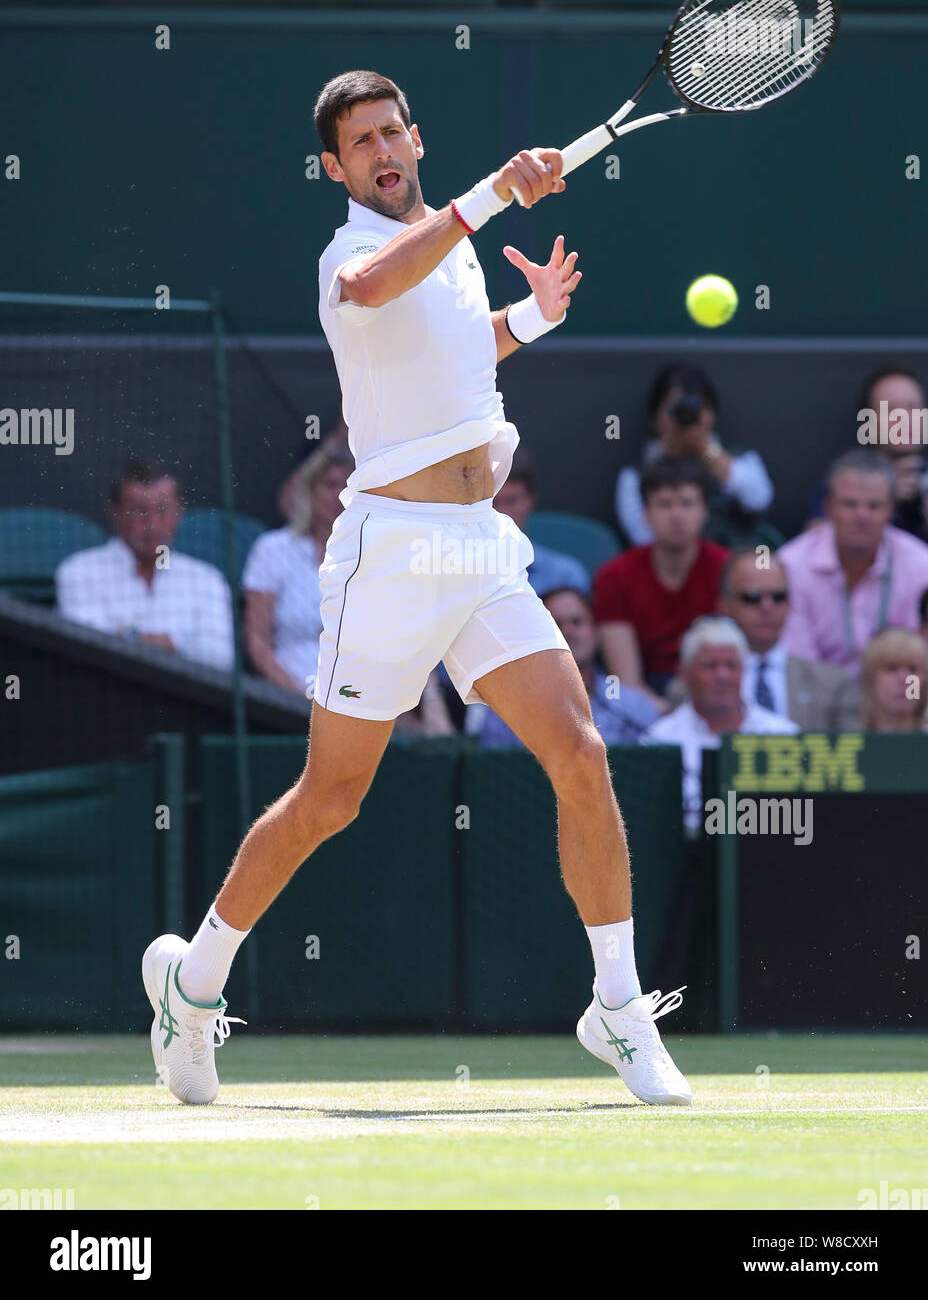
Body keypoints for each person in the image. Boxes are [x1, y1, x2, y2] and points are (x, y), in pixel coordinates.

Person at [142, 69, 691, 1108]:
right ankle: (194, 980)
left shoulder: (450, 246)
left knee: (579, 751)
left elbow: (454, 355)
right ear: (335, 167)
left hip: (479, 547)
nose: (383, 149)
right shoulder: (352, 255)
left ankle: (616, 1009)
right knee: (331, 799)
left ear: (416, 137)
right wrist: (489, 191)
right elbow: (377, 290)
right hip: (389, 553)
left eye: (394, 131)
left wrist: (530, 318)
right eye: (363, 142)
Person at [56, 460, 234, 671]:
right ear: (115, 513)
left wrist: (130, 635)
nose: (152, 524)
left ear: (179, 513)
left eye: (163, 510)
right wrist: (177, 644)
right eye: (139, 511)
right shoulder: (78, 571)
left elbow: (220, 656)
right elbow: (87, 648)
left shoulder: (206, 578)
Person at [641, 617, 798, 836]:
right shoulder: (658, 741)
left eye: (731, 666)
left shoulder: (782, 735)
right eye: (710, 666)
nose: (722, 676)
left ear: (744, 671)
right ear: (684, 673)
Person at [594, 456, 730, 708]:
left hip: (717, 691)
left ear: (704, 511)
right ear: (646, 513)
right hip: (646, 704)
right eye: (664, 504)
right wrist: (673, 721)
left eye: (687, 503)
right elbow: (627, 682)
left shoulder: (728, 570)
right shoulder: (613, 577)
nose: (677, 515)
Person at [780, 449, 928, 675]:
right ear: (828, 507)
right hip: (816, 702)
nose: (862, 516)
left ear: (891, 509)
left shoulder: (921, 565)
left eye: (874, 506)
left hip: (900, 699)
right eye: (850, 504)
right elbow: (800, 671)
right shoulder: (791, 565)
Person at [477, 588, 660, 747]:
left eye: (577, 622)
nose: (568, 632)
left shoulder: (631, 703)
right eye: (556, 624)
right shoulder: (507, 711)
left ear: (595, 633)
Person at [615, 363, 773, 547]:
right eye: (676, 409)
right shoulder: (635, 474)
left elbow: (758, 499)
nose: (685, 417)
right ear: (654, 416)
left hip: (733, 563)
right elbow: (642, 539)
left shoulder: (739, 457)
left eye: (696, 409)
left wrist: (705, 450)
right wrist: (668, 457)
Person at [242, 444, 352, 695]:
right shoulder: (274, 549)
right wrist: (295, 696)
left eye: (347, 487)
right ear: (311, 491)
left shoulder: (373, 558)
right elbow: (257, 643)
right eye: (330, 485)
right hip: (290, 696)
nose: (339, 496)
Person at [717, 549, 859, 730]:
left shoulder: (834, 685)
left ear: (790, 603)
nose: (767, 607)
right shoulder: (698, 682)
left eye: (778, 597)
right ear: (724, 605)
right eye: (752, 598)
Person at [807, 366, 928, 540]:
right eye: (891, 410)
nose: (904, 419)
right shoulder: (846, 480)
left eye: (913, 408)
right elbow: (812, 545)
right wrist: (879, 498)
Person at [493, 448, 591, 597]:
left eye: (511, 501)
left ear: (531, 500)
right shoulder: (455, 572)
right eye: (491, 503)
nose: (501, 512)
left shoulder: (565, 576)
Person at [858, 628, 928, 732]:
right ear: (870, 677)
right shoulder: (849, 743)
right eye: (892, 668)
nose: (904, 679)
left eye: (913, 669)